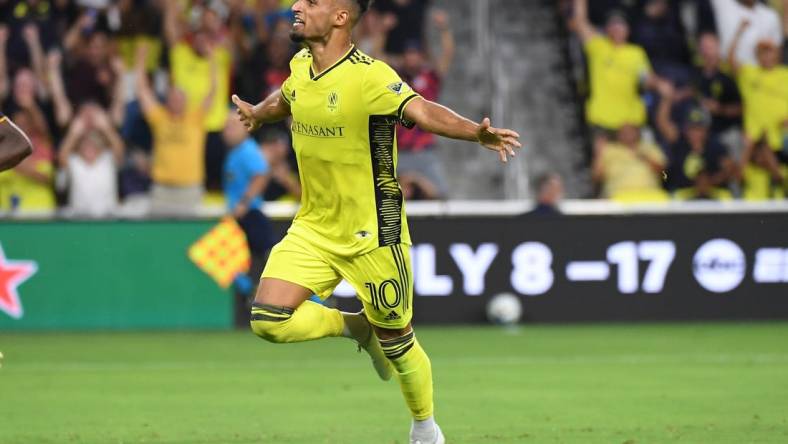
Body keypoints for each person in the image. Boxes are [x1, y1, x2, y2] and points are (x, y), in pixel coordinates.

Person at [230, 1, 521, 443]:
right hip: (314, 226)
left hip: (373, 231)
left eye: (311, 2)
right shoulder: (301, 64)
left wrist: (473, 132)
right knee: (268, 319)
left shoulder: (371, 76)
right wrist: (257, 111)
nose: (295, 6)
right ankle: (355, 326)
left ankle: (425, 429)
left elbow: (422, 110)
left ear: (341, 17)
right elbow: (286, 99)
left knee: (399, 343)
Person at [135, 44, 216, 217]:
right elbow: (142, 92)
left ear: (186, 101)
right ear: (167, 100)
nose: (176, 101)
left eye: (180, 98)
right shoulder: (159, 118)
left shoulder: (195, 119)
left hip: (190, 190)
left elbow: (212, 92)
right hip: (162, 190)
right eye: (172, 97)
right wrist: (140, 61)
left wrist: (212, 62)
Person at [571, 0, 666, 136]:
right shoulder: (599, 46)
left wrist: (658, 84)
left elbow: (646, 78)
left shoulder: (636, 53)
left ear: (628, 29)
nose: (617, 28)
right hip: (602, 120)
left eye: (620, 24)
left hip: (630, 123)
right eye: (613, 24)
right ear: (607, 29)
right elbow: (580, 22)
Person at [394, 10, 454, 199]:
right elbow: (376, 57)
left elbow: (447, 54)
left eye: (415, 54)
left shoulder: (430, 78)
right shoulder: (394, 79)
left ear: (421, 56)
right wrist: (380, 33)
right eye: (408, 54)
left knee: (442, 195)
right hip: (399, 152)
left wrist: (444, 29)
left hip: (425, 152)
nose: (411, 58)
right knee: (382, 198)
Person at [728, 21, 788, 190]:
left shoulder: (785, 74)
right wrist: (739, 33)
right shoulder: (750, 73)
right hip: (754, 140)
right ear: (757, 56)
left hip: (782, 135)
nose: (767, 57)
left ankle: (779, 182)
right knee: (751, 150)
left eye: (770, 52)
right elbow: (731, 61)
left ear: (777, 55)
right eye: (763, 53)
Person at [222, 112, 275, 299]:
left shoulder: (247, 150)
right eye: (225, 127)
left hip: (250, 215)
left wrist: (244, 203)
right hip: (240, 216)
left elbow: (261, 175)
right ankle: (251, 293)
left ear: (245, 128)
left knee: (272, 260)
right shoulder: (236, 152)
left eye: (231, 126)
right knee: (231, 260)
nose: (226, 131)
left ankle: (314, 300)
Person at [655, 84, 736, 200]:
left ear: (706, 130)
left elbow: (732, 170)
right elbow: (662, 122)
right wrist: (667, 99)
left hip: (712, 196)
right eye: (692, 129)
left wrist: (712, 181)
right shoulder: (679, 141)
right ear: (686, 129)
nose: (695, 133)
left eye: (699, 129)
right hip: (683, 195)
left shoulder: (715, 146)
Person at [57, 104, 125, 218]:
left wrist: (106, 127)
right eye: (86, 143)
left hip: (108, 220)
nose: (89, 145)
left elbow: (120, 150)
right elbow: (61, 158)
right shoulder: (74, 161)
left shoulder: (107, 158)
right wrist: (74, 133)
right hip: (79, 220)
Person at [592, 124, 668, 201]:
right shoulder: (609, 149)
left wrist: (646, 158)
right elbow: (596, 178)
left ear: (637, 132)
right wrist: (599, 154)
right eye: (623, 132)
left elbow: (664, 174)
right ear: (618, 135)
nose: (627, 135)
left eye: (630, 131)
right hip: (618, 198)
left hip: (651, 197)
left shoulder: (649, 148)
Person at [712, 0, 783, 66]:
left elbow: (778, 51)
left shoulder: (770, 15)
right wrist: (740, 32)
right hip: (728, 71)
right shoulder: (723, 5)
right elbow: (730, 60)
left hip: (762, 73)